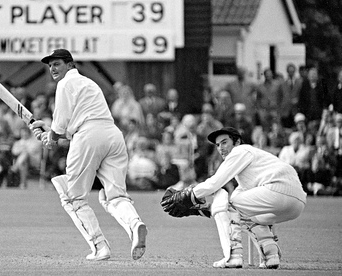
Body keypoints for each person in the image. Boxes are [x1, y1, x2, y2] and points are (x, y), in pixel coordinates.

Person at [30, 49, 147, 261]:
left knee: (73, 197)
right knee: (115, 196)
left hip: (88, 137)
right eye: (50, 66)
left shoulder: (64, 84)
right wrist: (50, 131)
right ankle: (135, 224)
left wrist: (51, 137)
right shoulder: (89, 83)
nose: (52, 69)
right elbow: (77, 124)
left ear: (69, 64)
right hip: (112, 135)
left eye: (56, 64)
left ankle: (100, 247)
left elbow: (63, 123)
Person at [161, 127, 306, 269]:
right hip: (296, 203)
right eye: (218, 145)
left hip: (277, 191)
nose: (220, 148)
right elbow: (237, 198)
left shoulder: (240, 151)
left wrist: (186, 196)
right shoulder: (255, 162)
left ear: (236, 142)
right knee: (243, 211)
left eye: (224, 142)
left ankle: (233, 256)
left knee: (231, 204)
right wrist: (203, 209)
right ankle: (271, 255)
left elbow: (215, 182)